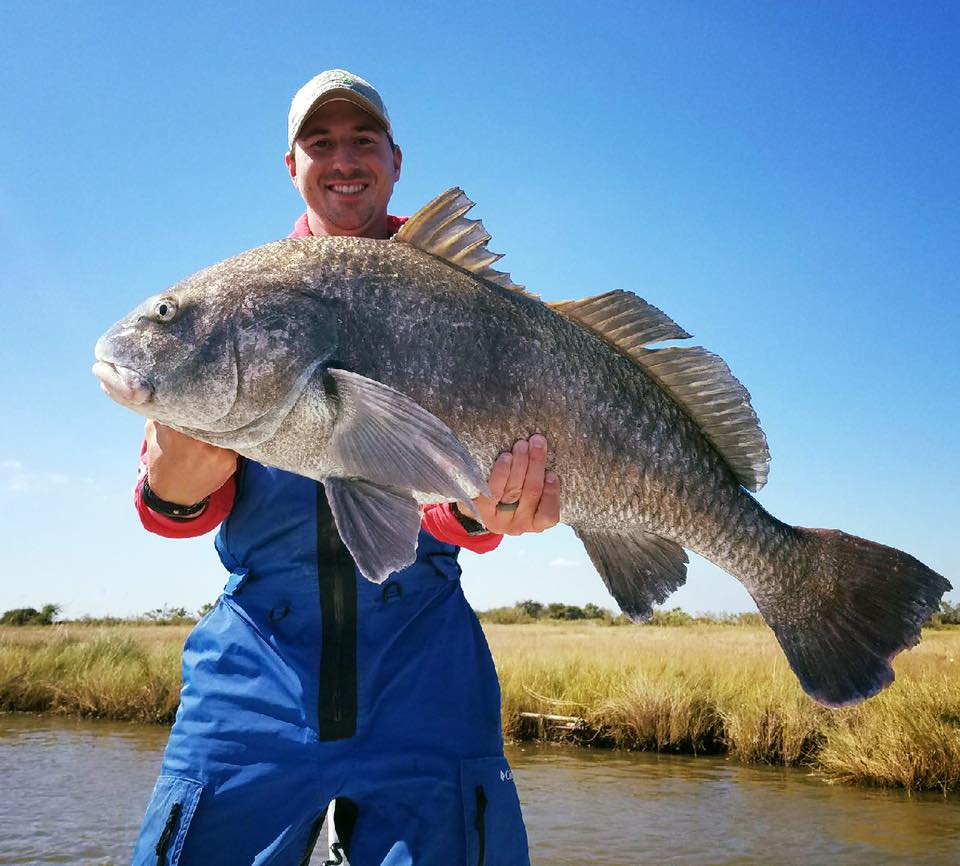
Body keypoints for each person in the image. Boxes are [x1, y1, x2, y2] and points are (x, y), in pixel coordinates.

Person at [130, 69, 560, 866]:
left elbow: (451, 512)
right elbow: (172, 506)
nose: (343, 158)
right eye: (319, 143)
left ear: (396, 159)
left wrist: (480, 513)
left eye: (363, 140)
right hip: (257, 659)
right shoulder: (242, 298)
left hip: (425, 659)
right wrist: (174, 476)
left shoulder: (461, 293)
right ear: (290, 165)